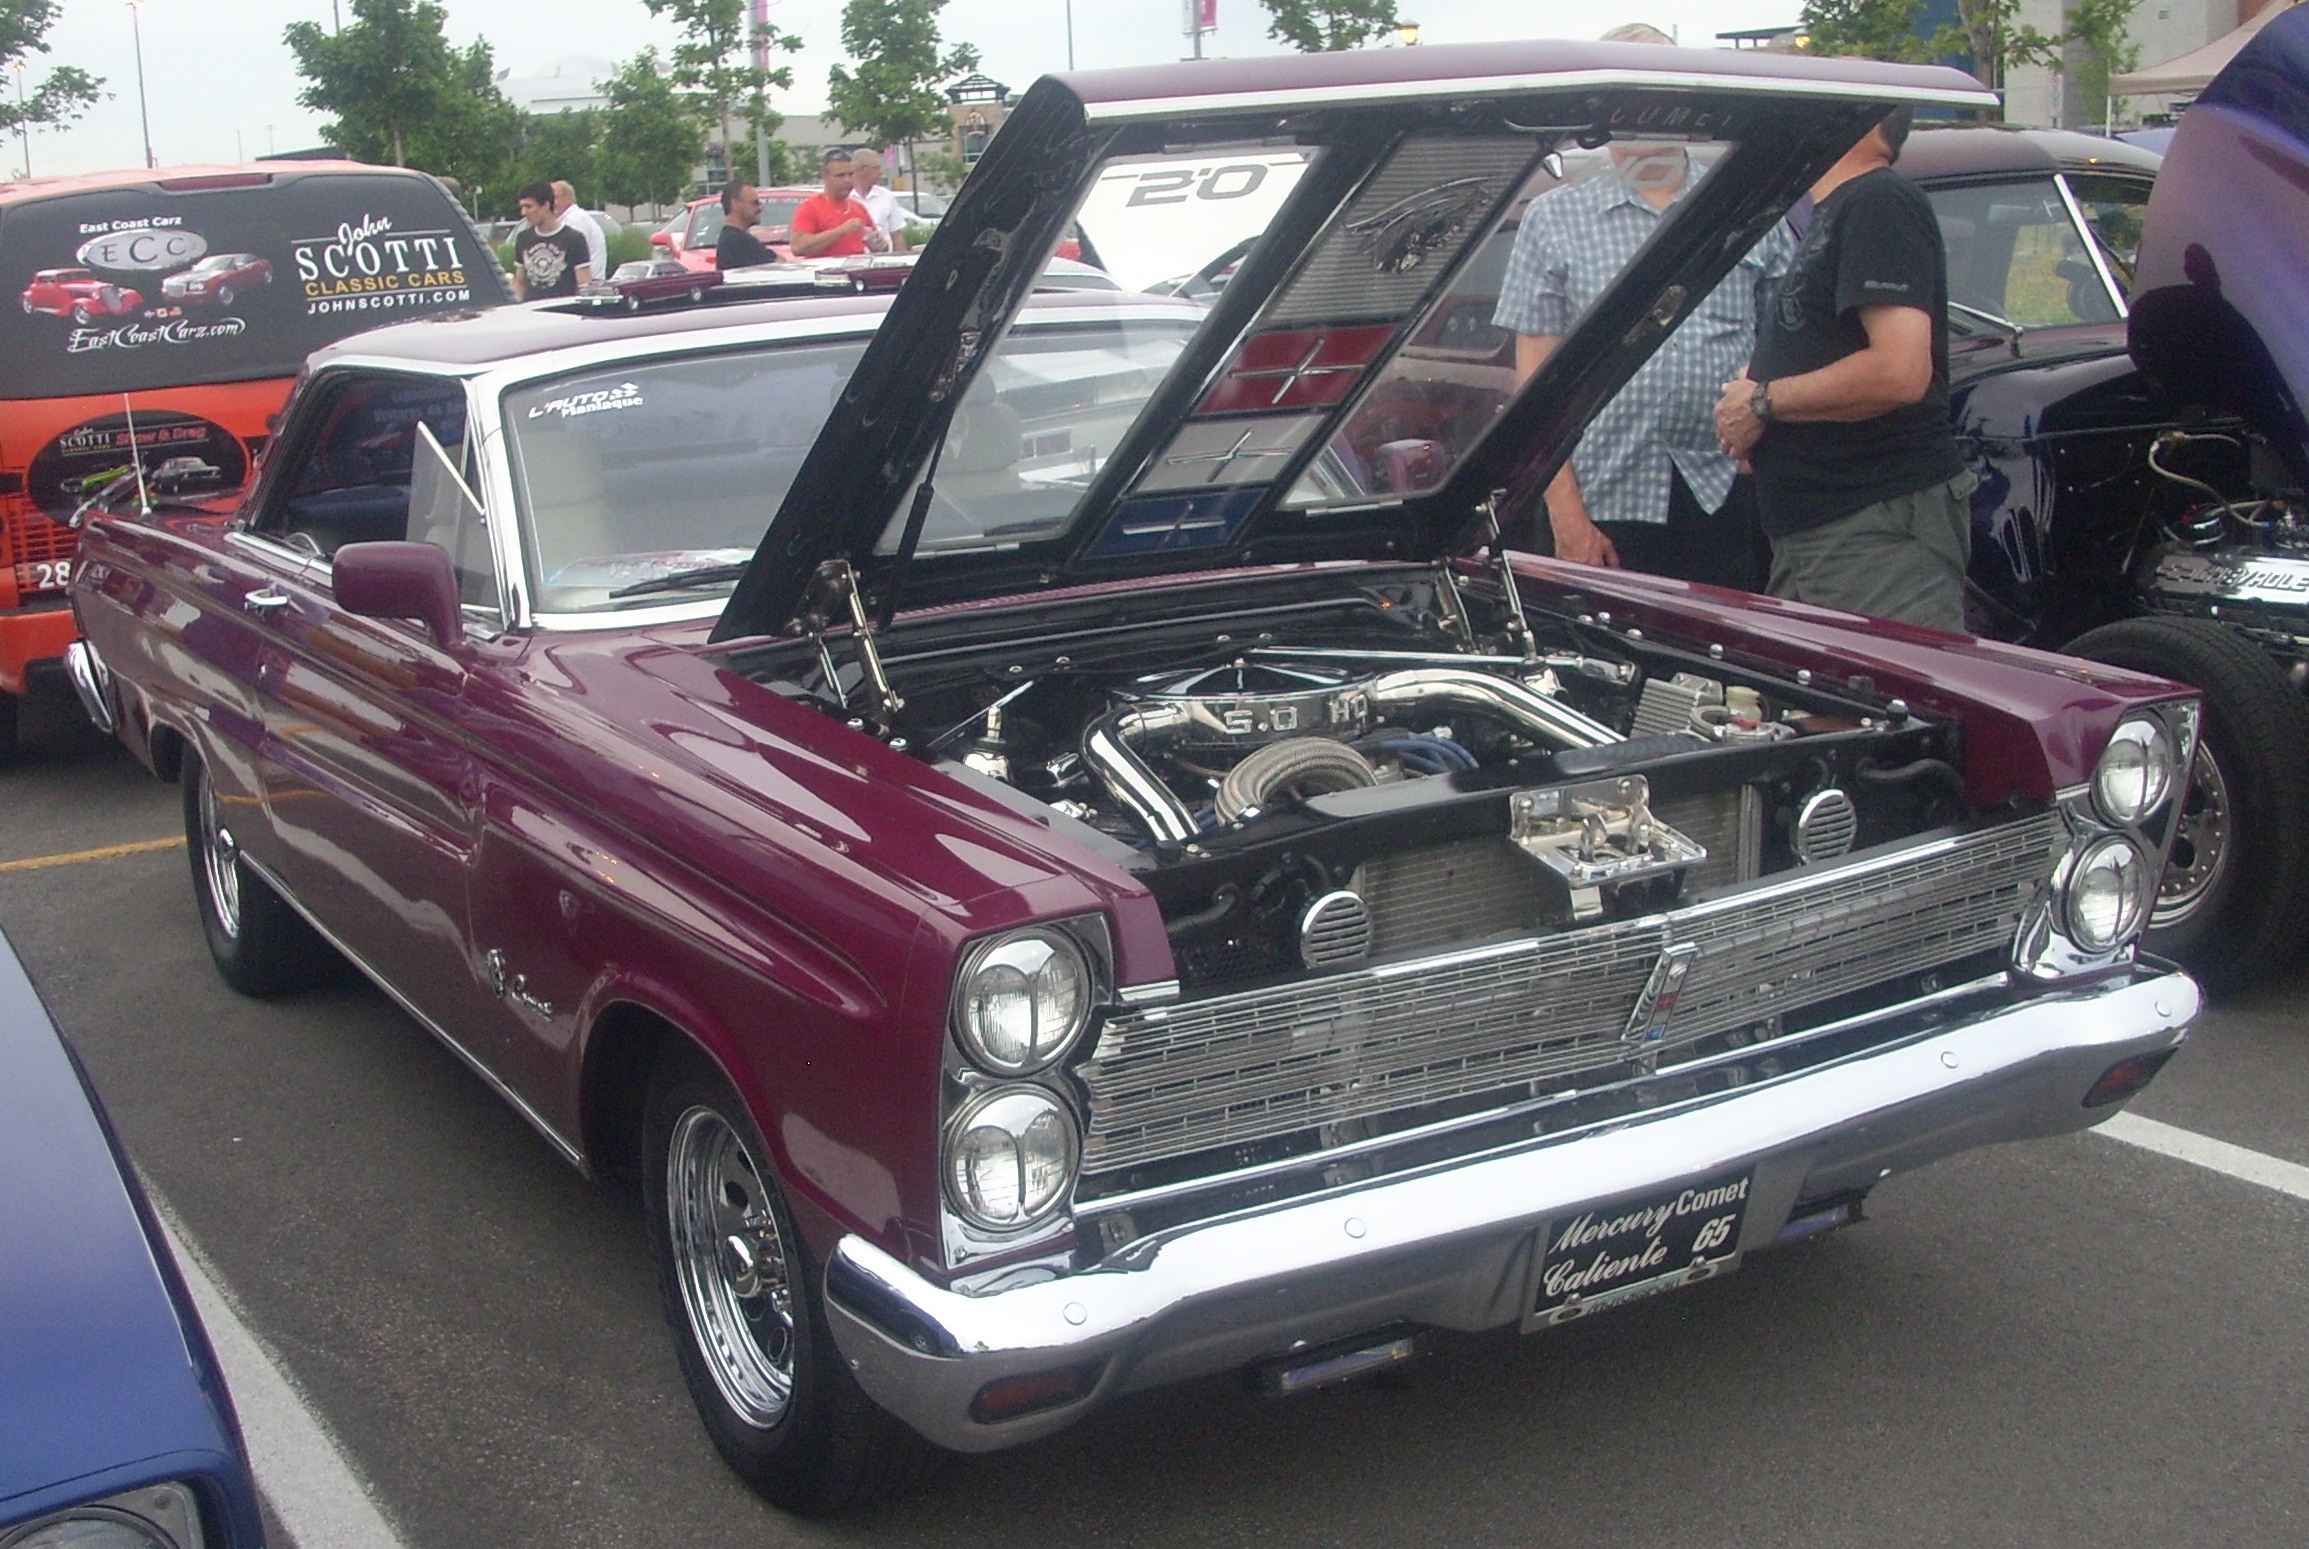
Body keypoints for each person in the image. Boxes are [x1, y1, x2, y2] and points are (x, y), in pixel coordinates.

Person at [1492, 23, 1793, 590]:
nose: (1645, 112)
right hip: (1601, 497)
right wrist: (1566, 515)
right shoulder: (1555, 219)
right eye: (1626, 96)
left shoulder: (1747, 208)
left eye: (1659, 92)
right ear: (1600, 111)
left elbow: (1786, 343)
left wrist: (1760, 430)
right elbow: (1534, 387)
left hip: (1722, 492)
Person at [1714, 107, 1973, 632]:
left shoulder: (1879, 200)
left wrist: (1762, 400)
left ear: (1858, 122)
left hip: (1872, 528)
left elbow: (1899, 371)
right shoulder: (1836, 209)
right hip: (1822, 530)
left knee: (1880, 683)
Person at [789, 149, 889, 259]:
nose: (847, 180)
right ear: (825, 177)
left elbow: (879, 246)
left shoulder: (858, 208)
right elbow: (798, 247)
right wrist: (841, 231)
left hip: (857, 265)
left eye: (850, 174)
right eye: (840, 175)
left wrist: (881, 245)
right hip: (825, 268)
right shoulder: (810, 207)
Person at [511, 180, 589, 300]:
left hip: (562, 307)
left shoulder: (574, 239)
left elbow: (584, 284)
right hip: (532, 307)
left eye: (529, 206)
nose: (524, 212)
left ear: (546, 205)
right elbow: (520, 282)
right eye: (522, 207)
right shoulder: (523, 238)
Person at [849, 147, 908, 253]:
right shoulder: (845, 197)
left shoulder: (887, 196)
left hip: (883, 257)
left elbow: (896, 234)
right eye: (876, 168)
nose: (881, 172)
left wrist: (902, 258)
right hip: (853, 257)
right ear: (863, 170)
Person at [550, 180, 609, 281]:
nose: (550, 203)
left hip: (586, 282)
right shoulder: (576, 217)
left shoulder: (574, 220)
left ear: (567, 197)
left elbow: (571, 256)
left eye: (553, 198)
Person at [714, 181, 776, 270]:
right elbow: (776, 265)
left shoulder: (731, 238)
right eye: (755, 203)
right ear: (736, 204)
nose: (760, 207)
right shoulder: (738, 241)